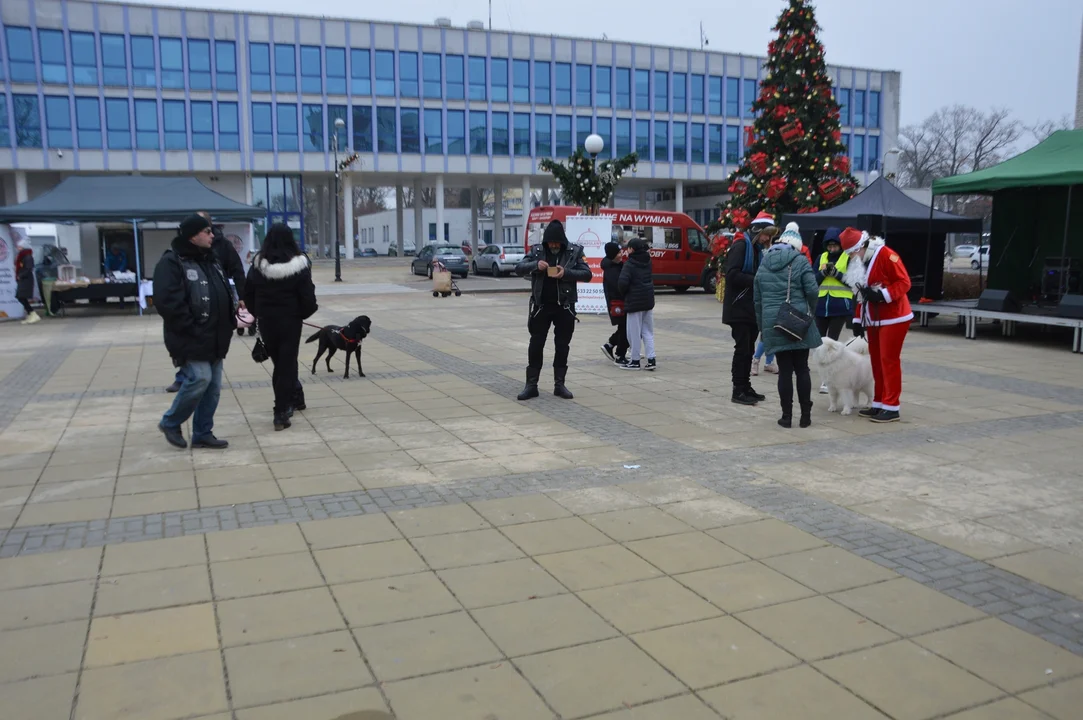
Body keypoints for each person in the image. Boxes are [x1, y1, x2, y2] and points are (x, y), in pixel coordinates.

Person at [154, 214, 235, 449]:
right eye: (207, 232)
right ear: (193, 236)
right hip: (190, 336)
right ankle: (170, 421)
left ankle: (202, 433)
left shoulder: (211, 259)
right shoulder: (172, 262)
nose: (212, 236)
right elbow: (167, 301)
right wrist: (189, 328)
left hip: (216, 336)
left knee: (212, 388)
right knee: (200, 378)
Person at [243, 223, 318, 431]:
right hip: (290, 321)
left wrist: (257, 311)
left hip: (267, 320)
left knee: (280, 363)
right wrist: (302, 314)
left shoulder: (258, 265)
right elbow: (307, 295)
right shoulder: (299, 265)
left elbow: (248, 292)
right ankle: (281, 410)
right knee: (287, 363)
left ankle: (292, 400)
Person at [166, 211, 248, 392]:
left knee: (208, 377)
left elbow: (237, 269)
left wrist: (242, 296)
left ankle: (196, 398)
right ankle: (182, 379)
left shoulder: (222, 246)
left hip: (216, 316)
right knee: (197, 366)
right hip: (193, 311)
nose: (209, 235)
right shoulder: (177, 255)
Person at [839, 228, 913, 423]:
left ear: (861, 246)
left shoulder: (887, 255)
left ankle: (892, 406)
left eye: (852, 253)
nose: (851, 257)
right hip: (873, 318)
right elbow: (861, 293)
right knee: (876, 362)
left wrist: (883, 295)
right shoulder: (861, 261)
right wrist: (857, 319)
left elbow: (904, 282)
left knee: (889, 360)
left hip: (894, 317)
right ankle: (879, 402)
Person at [515, 219, 592, 400]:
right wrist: (536, 265)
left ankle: (560, 385)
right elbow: (519, 268)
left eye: (557, 242)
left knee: (562, 346)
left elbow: (587, 274)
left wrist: (566, 273)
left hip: (564, 307)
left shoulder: (574, 251)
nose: (554, 245)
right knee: (536, 345)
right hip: (541, 306)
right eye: (551, 242)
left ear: (563, 242)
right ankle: (531, 385)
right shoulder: (537, 251)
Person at [754, 230, 822, 428]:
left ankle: (786, 416)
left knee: (784, 371)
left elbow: (757, 300)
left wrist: (762, 327)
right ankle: (805, 417)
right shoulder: (800, 261)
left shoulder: (763, 264)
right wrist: (810, 311)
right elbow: (812, 291)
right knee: (802, 368)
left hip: (774, 323)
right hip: (798, 320)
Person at [722, 211, 777, 405]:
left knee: (748, 349)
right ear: (757, 231)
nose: (767, 239)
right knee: (742, 350)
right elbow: (732, 275)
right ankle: (738, 389)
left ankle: (745, 386)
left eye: (770, 236)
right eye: (765, 234)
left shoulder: (754, 249)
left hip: (750, 308)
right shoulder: (741, 246)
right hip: (738, 308)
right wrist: (757, 280)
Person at [814, 227, 855, 393]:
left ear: (840, 245)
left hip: (840, 307)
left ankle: (828, 380)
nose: (832, 249)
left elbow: (854, 281)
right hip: (821, 305)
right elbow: (812, 279)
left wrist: (837, 274)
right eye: (829, 246)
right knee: (820, 344)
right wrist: (823, 273)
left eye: (835, 246)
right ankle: (825, 376)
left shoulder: (847, 257)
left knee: (832, 344)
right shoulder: (821, 257)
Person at [617, 237, 657, 371]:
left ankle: (634, 360)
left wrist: (624, 293)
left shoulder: (630, 263)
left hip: (634, 302)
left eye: (628, 248)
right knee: (648, 331)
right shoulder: (648, 261)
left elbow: (622, 283)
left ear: (632, 249)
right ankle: (651, 359)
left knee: (633, 332)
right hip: (648, 300)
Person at [600, 241, 629, 364]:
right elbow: (618, 286)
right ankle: (619, 355)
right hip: (618, 303)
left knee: (624, 327)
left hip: (622, 302)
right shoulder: (611, 269)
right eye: (618, 253)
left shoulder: (618, 265)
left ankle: (610, 345)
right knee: (625, 328)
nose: (621, 254)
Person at [15, 238, 40, 325]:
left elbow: (29, 268)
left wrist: (20, 275)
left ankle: (32, 313)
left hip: (26, 280)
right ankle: (30, 314)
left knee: (21, 297)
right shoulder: (22, 256)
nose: (18, 247)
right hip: (23, 279)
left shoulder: (28, 257)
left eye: (20, 246)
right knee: (20, 296)